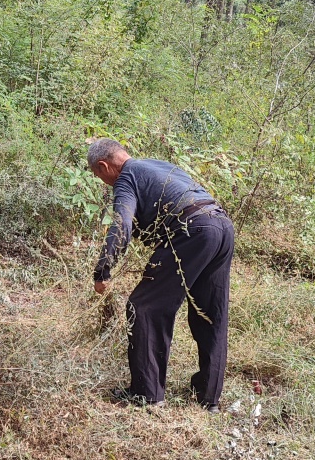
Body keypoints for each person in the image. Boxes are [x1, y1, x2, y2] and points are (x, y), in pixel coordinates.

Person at [88, 138, 235, 410]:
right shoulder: (156, 165)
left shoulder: (126, 178)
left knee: (143, 307)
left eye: (99, 176)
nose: (104, 183)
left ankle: (147, 394)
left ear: (103, 165)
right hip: (222, 225)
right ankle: (209, 399)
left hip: (193, 230)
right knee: (212, 313)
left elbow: (123, 225)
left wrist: (103, 270)